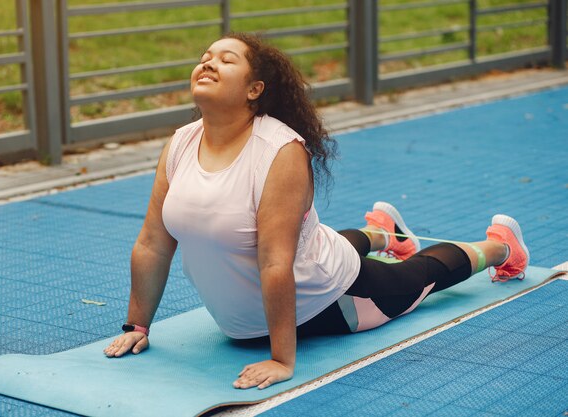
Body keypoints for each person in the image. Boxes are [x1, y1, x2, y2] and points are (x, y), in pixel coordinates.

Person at [103, 32, 529, 390]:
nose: (208, 64)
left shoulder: (279, 151)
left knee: (419, 277)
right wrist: (136, 327)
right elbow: (153, 243)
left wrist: (282, 360)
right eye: (204, 59)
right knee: (308, 237)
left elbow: (275, 260)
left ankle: (500, 247)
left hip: (330, 298)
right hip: (256, 309)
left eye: (226, 60)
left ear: (255, 89)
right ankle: (384, 234)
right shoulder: (181, 143)